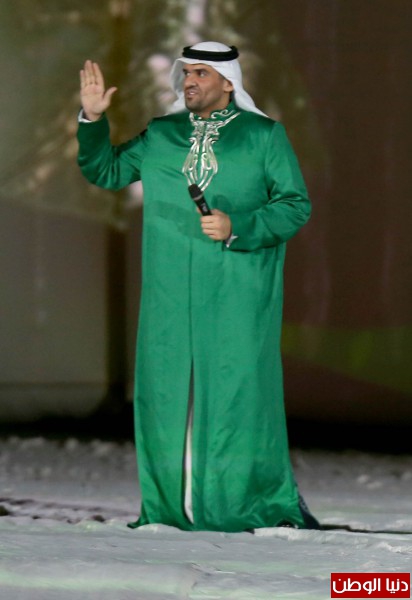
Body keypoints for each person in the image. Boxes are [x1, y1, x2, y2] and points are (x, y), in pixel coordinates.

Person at [77, 41, 317, 532]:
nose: (189, 81)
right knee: (165, 390)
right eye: (186, 72)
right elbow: (107, 170)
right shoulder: (162, 133)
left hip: (238, 287)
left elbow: (295, 205)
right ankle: (170, 506)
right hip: (168, 289)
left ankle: (235, 502)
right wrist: (92, 118)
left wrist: (237, 226)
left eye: (201, 73)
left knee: (237, 391)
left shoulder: (263, 135)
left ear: (229, 82)